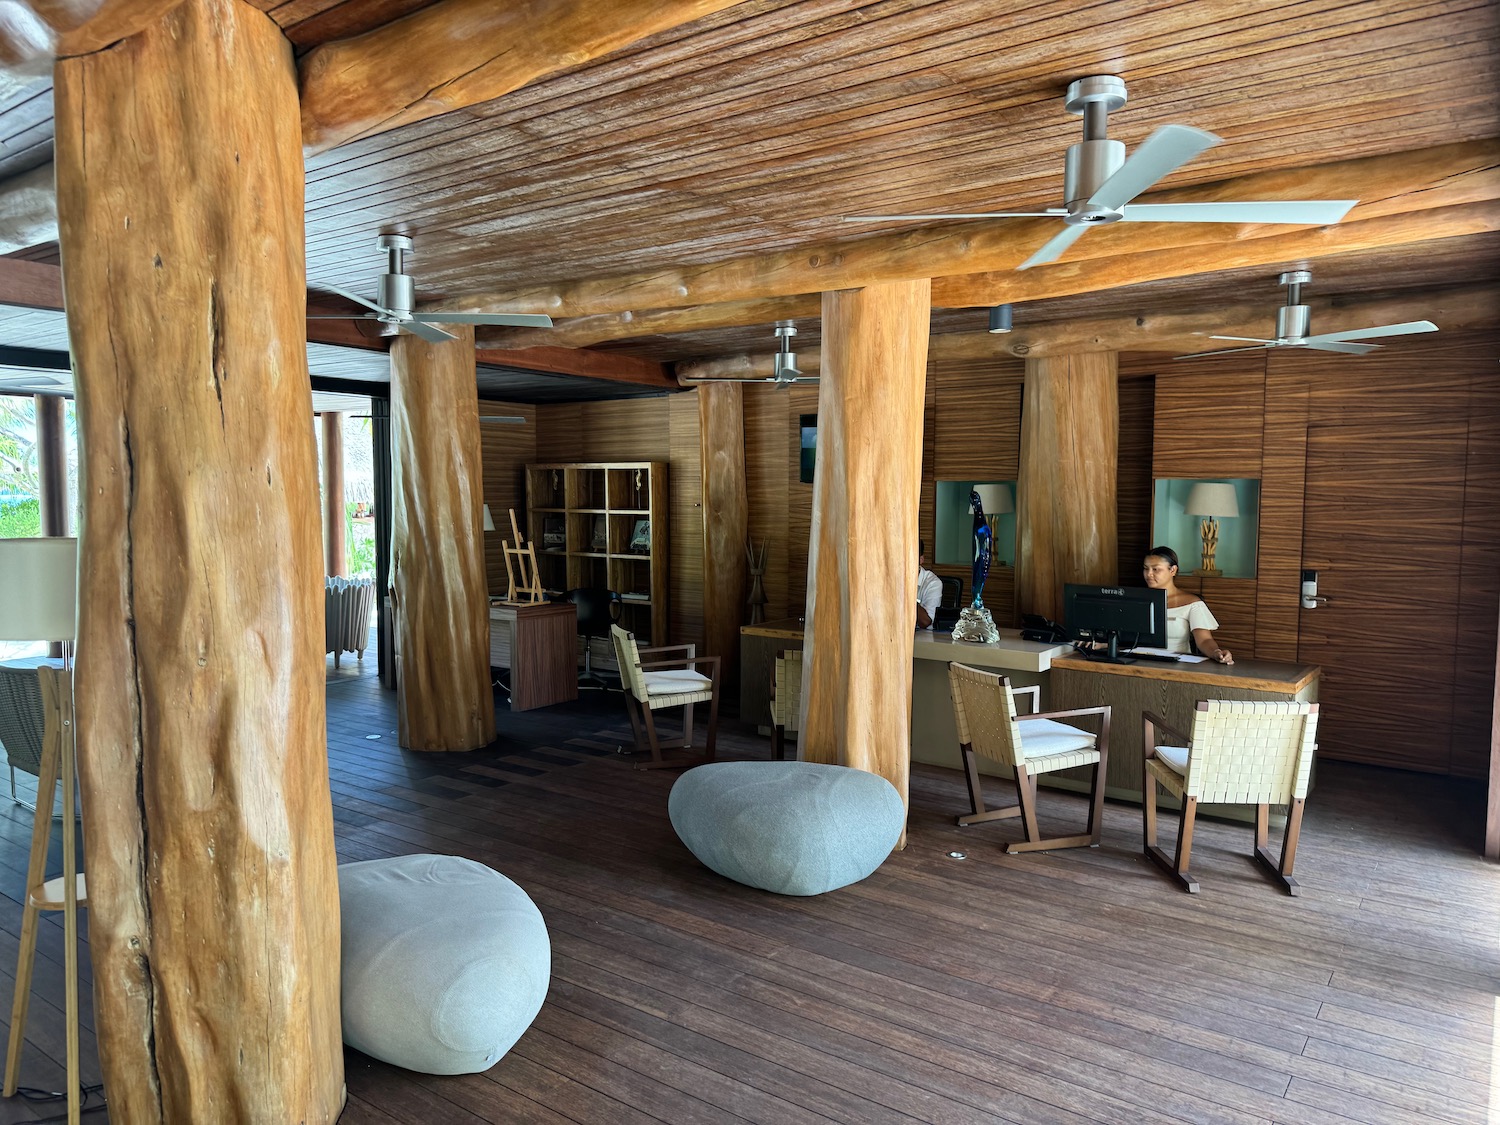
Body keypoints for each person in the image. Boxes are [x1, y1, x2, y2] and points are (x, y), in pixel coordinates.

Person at [1142, 546, 1234, 664]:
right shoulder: (1137, 600)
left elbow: (1204, 640)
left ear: (1173, 570)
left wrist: (1216, 652)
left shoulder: (1192, 603)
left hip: (1177, 665)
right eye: (1145, 568)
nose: (1148, 574)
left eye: (1155, 569)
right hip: (1140, 662)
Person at [916, 540, 943, 630]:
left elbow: (926, 622)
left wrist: (904, 589)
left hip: (922, 638)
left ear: (921, 560)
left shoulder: (933, 583)